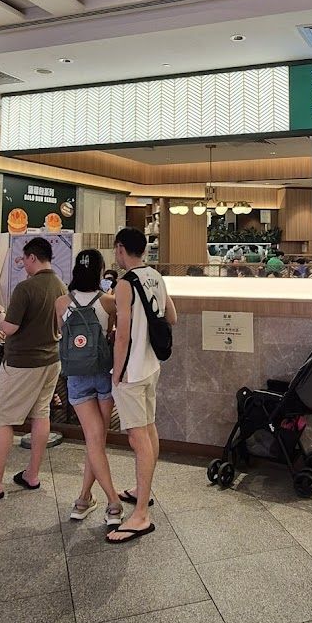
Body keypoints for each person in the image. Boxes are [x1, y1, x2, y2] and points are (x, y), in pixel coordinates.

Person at [0, 237, 65, 503]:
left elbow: (10, 329)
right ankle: (32, 474)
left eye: (26, 260)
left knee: (2, 418)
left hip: (22, 362)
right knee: (41, 414)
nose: (24, 265)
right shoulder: (60, 284)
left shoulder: (26, 288)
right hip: (51, 359)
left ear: (32, 258)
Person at [108, 227, 177, 544]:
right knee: (148, 430)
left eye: (116, 250)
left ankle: (141, 516)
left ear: (122, 249)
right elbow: (171, 316)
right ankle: (142, 490)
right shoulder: (155, 276)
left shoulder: (124, 284)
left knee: (138, 437)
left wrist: (116, 373)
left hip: (133, 371)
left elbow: (122, 335)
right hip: (152, 366)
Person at [55, 250, 122, 526]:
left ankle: (83, 499)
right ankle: (114, 503)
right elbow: (115, 335)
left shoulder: (61, 302)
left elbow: (59, 333)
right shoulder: (109, 302)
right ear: (99, 272)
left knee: (93, 441)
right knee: (98, 440)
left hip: (76, 377)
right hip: (102, 374)